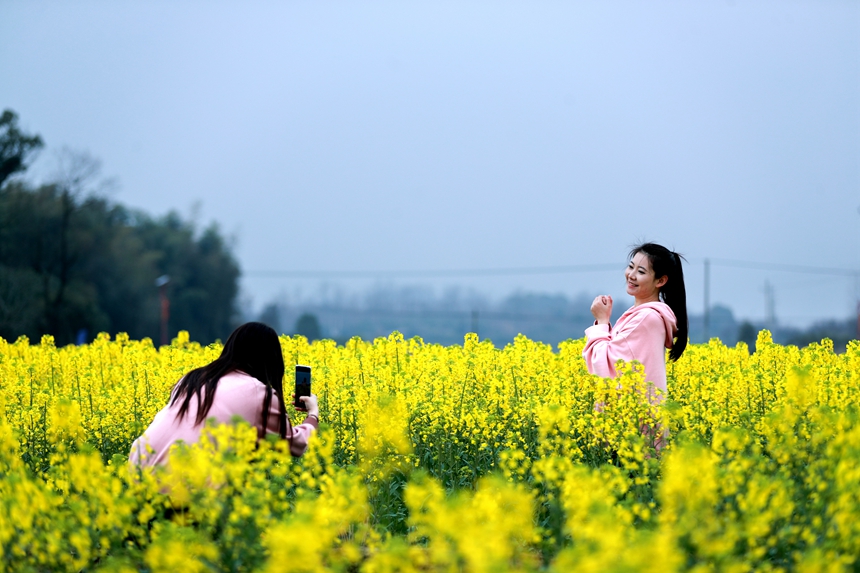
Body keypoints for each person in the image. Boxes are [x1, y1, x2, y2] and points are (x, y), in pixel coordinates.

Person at [129, 322, 319, 468]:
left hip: (138, 474)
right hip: (185, 485)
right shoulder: (259, 392)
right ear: (270, 361)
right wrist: (312, 414)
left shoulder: (192, 378)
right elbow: (294, 445)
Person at [582, 243, 688, 447]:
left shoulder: (646, 318)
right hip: (630, 427)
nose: (631, 275)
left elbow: (606, 366)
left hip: (631, 433)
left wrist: (603, 322)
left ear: (661, 281)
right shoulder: (642, 315)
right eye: (630, 267)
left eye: (640, 271)